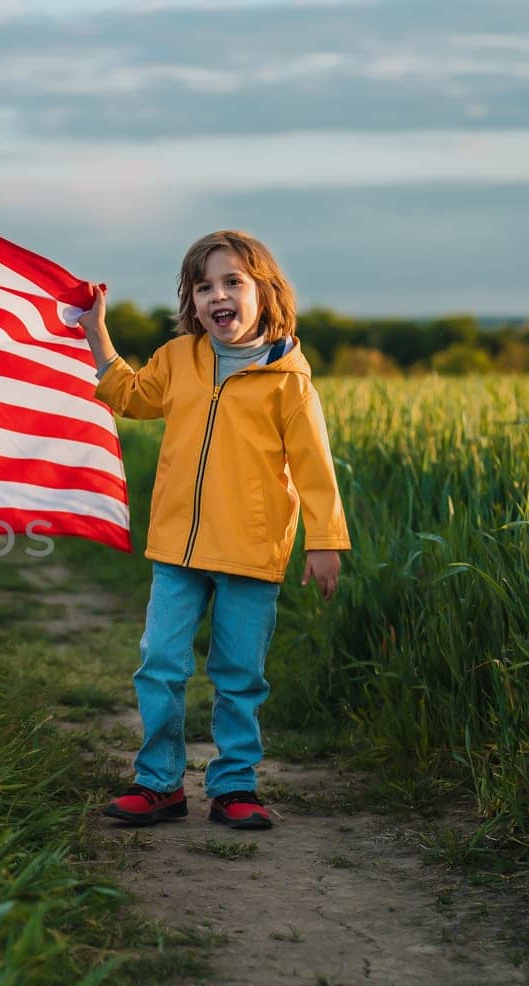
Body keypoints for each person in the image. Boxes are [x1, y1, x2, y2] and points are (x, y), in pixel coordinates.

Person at [73, 230, 350, 831]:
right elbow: (133, 397)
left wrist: (326, 540)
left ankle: (234, 786)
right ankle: (159, 784)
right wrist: (97, 332)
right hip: (178, 547)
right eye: (204, 287)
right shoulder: (179, 360)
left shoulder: (288, 381)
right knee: (161, 664)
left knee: (239, 673)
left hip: (252, 551)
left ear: (265, 292)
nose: (217, 295)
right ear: (191, 301)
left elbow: (314, 468)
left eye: (232, 283)